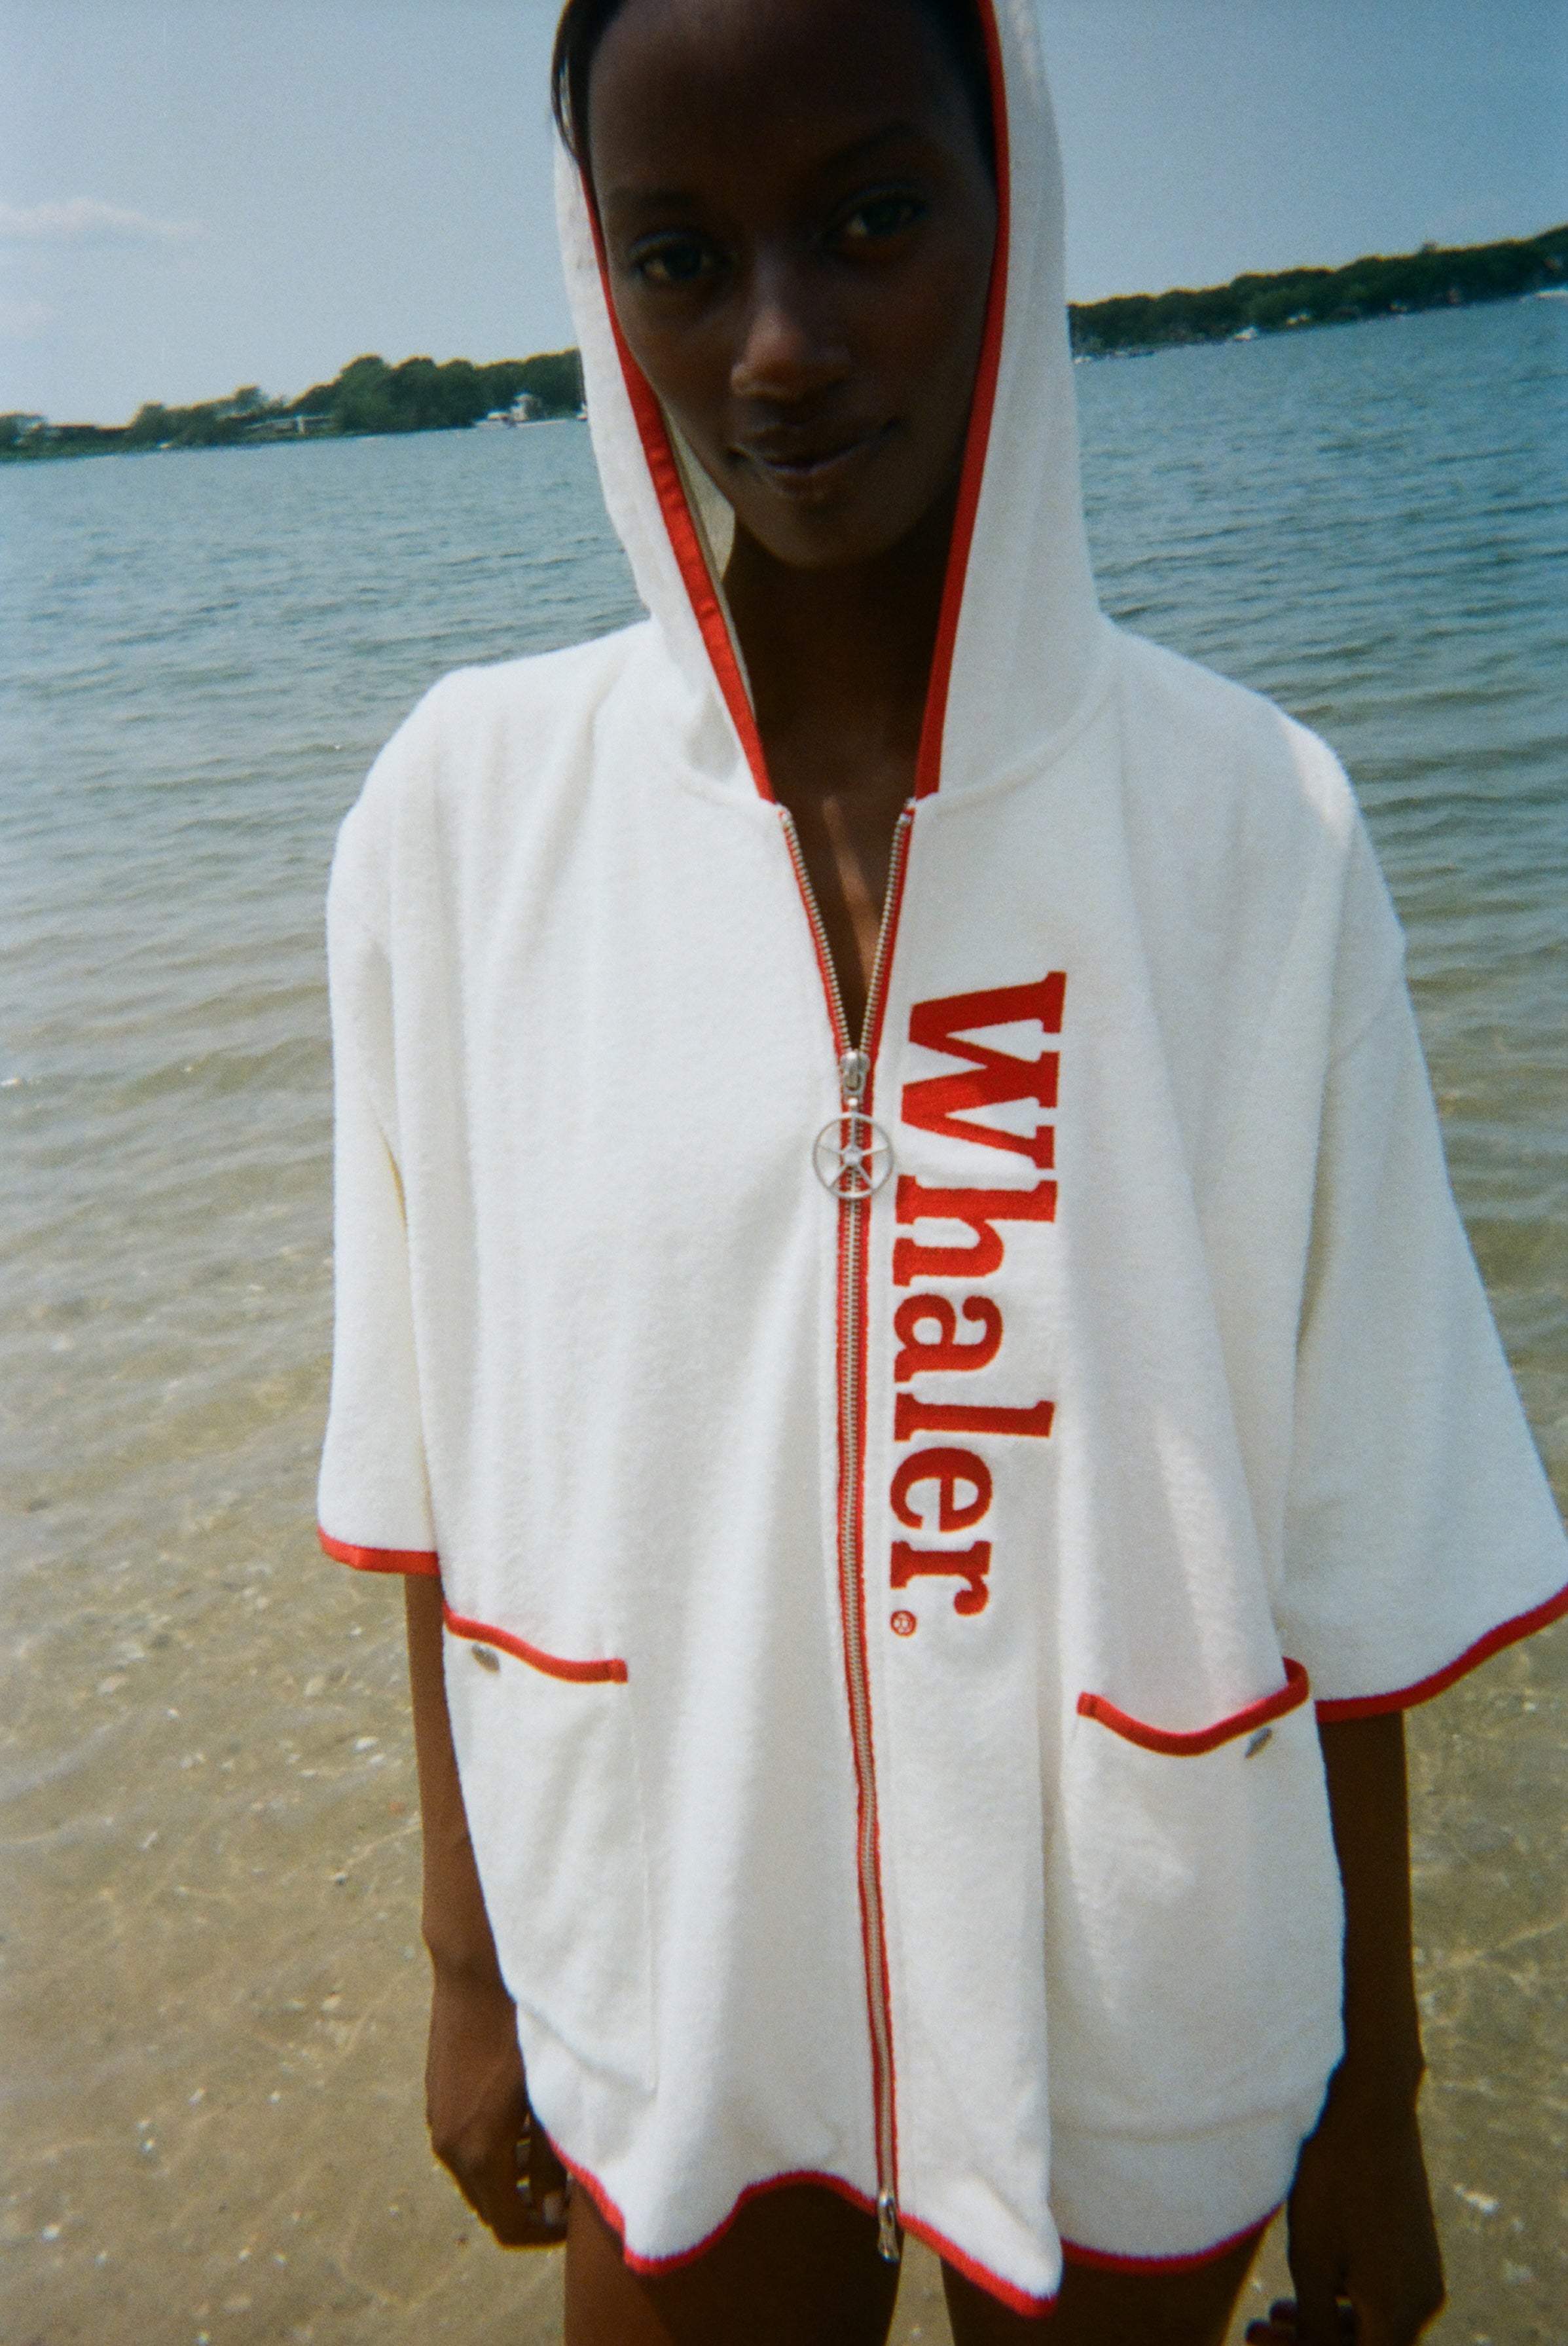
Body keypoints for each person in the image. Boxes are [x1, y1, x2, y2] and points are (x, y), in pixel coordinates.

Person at [315, 1, 1568, 2338]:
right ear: (600, 279)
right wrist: (467, 1962)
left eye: (872, 219)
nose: (778, 348)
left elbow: (1353, 1531)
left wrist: (1369, 2097)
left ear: (1016, 212)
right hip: (673, 1924)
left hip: (1131, 1939)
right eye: (679, 256)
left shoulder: (1244, 829)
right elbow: (431, 1452)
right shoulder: (465, 824)